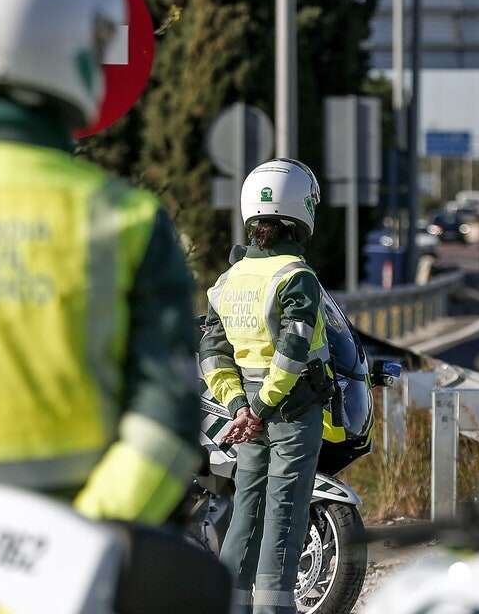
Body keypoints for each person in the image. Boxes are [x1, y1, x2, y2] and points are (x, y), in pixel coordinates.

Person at [0, 0, 201, 524]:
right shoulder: (126, 217)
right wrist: (88, 534)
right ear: (68, 51)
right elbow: (168, 412)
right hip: (88, 552)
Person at [199, 158, 330, 614]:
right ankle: (276, 609)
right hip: (287, 409)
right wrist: (261, 407)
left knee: (247, 508)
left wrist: (237, 406)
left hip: (246, 413)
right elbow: (292, 352)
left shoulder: (227, 281)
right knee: (285, 512)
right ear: (304, 210)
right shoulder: (296, 276)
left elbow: (213, 355)